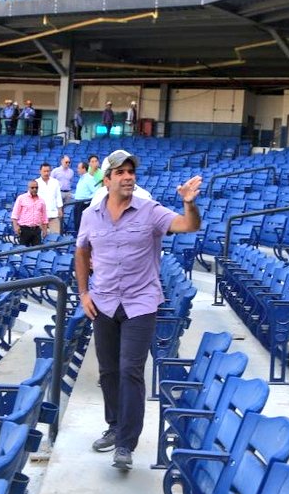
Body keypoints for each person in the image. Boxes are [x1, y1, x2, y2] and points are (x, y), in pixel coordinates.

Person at [74, 149, 202, 471]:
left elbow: (188, 225)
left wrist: (189, 202)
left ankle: (126, 444)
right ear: (107, 180)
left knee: (131, 369)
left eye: (131, 172)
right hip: (102, 302)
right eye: (121, 172)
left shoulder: (149, 211)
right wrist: (83, 292)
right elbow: (81, 252)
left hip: (140, 302)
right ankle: (114, 426)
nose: (128, 176)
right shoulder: (91, 215)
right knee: (107, 371)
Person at [11, 178, 49, 247]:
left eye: (36, 188)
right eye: (32, 188)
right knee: (22, 250)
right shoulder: (21, 198)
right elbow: (15, 214)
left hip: (36, 230)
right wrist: (15, 227)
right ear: (28, 188)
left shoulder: (41, 201)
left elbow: (44, 217)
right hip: (24, 230)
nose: (34, 189)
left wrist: (45, 229)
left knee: (37, 251)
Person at [31, 162, 64, 235]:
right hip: (40, 215)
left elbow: (58, 196)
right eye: (44, 171)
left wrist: (60, 209)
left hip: (53, 214)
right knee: (41, 236)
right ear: (40, 171)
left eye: (48, 171)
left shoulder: (55, 182)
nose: (46, 173)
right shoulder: (36, 183)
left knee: (55, 236)